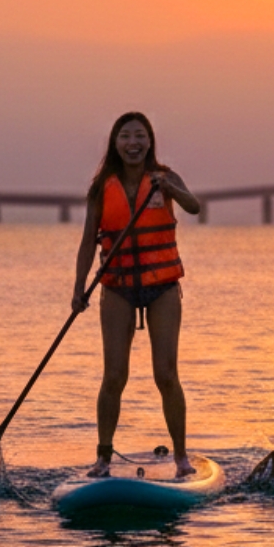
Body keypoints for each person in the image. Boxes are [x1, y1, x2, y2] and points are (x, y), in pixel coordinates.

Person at [73, 111, 201, 479]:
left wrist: (170, 189)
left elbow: (194, 206)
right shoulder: (101, 188)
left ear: (150, 141)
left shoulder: (165, 177)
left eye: (140, 136)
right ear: (115, 143)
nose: (133, 143)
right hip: (117, 288)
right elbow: (86, 244)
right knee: (114, 375)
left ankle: (181, 458)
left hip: (161, 286)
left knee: (166, 374)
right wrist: (78, 289)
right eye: (126, 136)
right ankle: (103, 458)